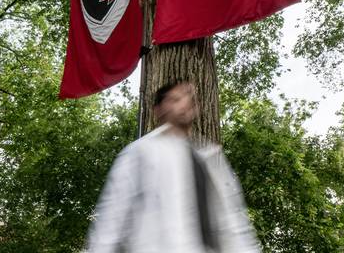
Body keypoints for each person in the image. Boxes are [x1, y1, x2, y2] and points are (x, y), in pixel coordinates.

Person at [86, 80, 260, 253]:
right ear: (158, 110)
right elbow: (112, 219)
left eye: (188, 99)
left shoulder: (211, 159)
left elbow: (233, 222)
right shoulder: (140, 152)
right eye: (175, 99)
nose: (185, 103)